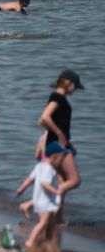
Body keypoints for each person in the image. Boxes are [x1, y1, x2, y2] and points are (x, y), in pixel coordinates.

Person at [36, 69, 82, 212]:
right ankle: (33, 202)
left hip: (55, 144)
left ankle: (56, 218)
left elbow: (45, 121)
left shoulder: (57, 97)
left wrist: (65, 141)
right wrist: (59, 134)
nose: (75, 90)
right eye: (75, 86)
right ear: (70, 84)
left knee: (62, 180)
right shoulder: (58, 98)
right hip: (57, 145)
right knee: (74, 181)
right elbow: (44, 118)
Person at [15, 142, 66, 249]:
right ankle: (30, 241)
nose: (62, 161)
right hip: (44, 202)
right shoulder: (48, 169)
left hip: (40, 200)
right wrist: (56, 191)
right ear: (55, 157)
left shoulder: (39, 166)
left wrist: (22, 188)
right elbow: (44, 183)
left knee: (51, 223)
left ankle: (48, 242)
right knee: (43, 222)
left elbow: (30, 179)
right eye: (62, 157)